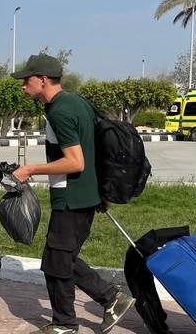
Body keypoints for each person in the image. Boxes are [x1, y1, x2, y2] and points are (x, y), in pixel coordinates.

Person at [10, 54, 134, 334]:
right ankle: (110, 299)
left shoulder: (60, 111)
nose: (22, 86)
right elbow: (95, 152)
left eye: (26, 80)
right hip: (85, 195)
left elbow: (75, 161)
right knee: (62, 259)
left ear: (42, 80)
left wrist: (29, 169)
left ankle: (67, 323)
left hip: (71, 197)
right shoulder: (78, 103)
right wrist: (101, 191)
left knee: (55, 262)